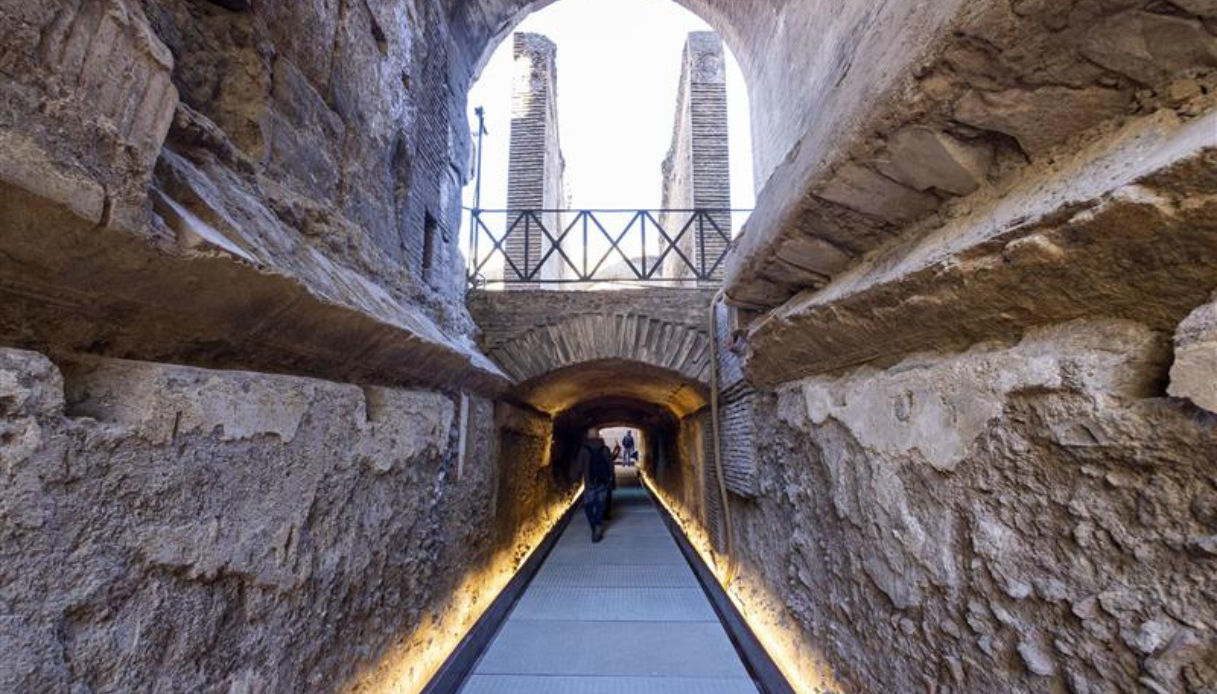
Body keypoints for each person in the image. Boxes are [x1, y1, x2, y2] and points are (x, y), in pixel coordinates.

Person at [573, 427, 614, 542]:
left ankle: (594, 527)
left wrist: (575, 480)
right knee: (600, 506)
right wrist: (610, 480)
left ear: (588, 436)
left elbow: (578, 467)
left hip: (590, 483)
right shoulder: (605, 449)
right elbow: (611, 466)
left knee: (588, 506)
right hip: (603, 482)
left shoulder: (584, 450)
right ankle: (598, 526)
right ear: (598, 436)